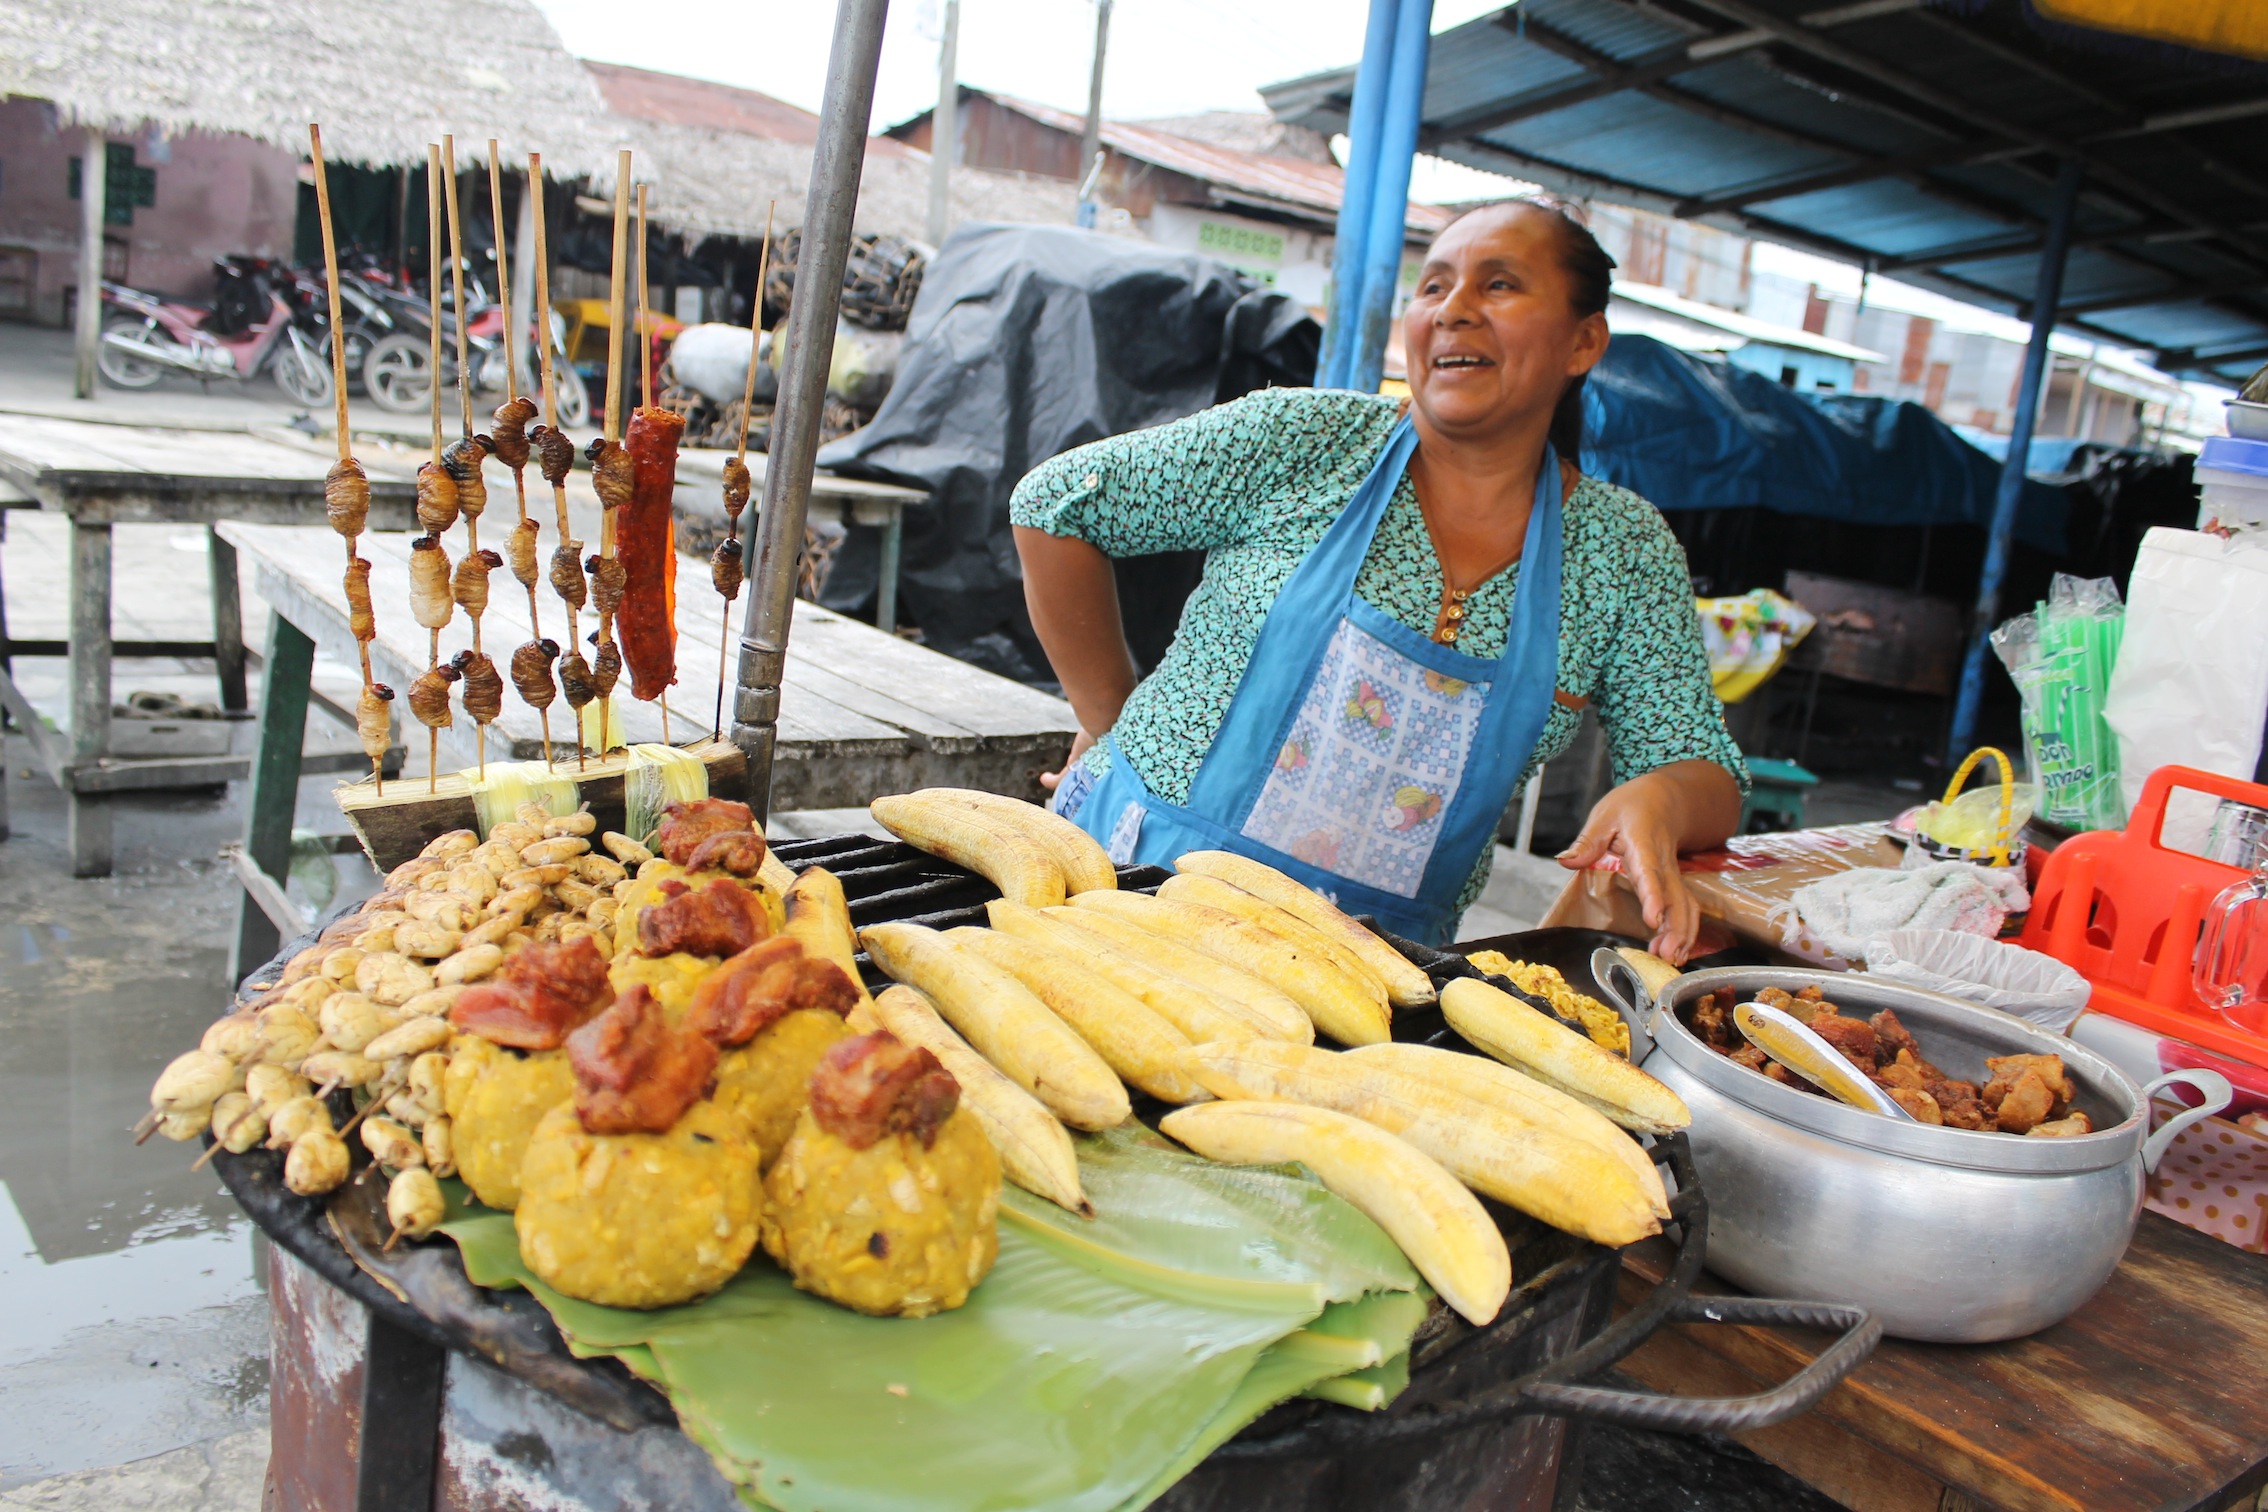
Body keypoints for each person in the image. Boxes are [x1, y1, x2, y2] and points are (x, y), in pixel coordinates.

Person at [1009, 197, 1745, 958]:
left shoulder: (1621, 549)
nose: (1453, 310)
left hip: (1370, 965)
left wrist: (1660, 793)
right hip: (1128, 884)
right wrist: (1107, 715)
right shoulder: (1305, 441)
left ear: (1584, 341)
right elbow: (1054, 507)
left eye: (1498, 285)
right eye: (1433, 287)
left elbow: (1701, 765)